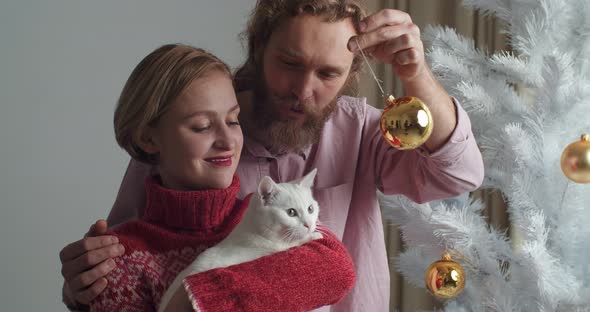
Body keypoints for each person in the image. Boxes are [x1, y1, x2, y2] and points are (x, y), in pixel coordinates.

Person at [60, 1, 484, 311]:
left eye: (327, 74)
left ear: (351, 74)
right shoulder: (183, 137)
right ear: (260, 47)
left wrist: (415, 75)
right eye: (289, 63)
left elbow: (458, 176)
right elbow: (125, 261)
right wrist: (87, 285)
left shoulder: (361, 129)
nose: (302, 91)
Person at [61, 43, 355, 312]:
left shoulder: (267, 214)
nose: (228, 140)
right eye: (201, 126)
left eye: (232, 120)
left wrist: (197, 299)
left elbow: (338, 269)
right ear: (148, 139)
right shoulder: (120, 262)